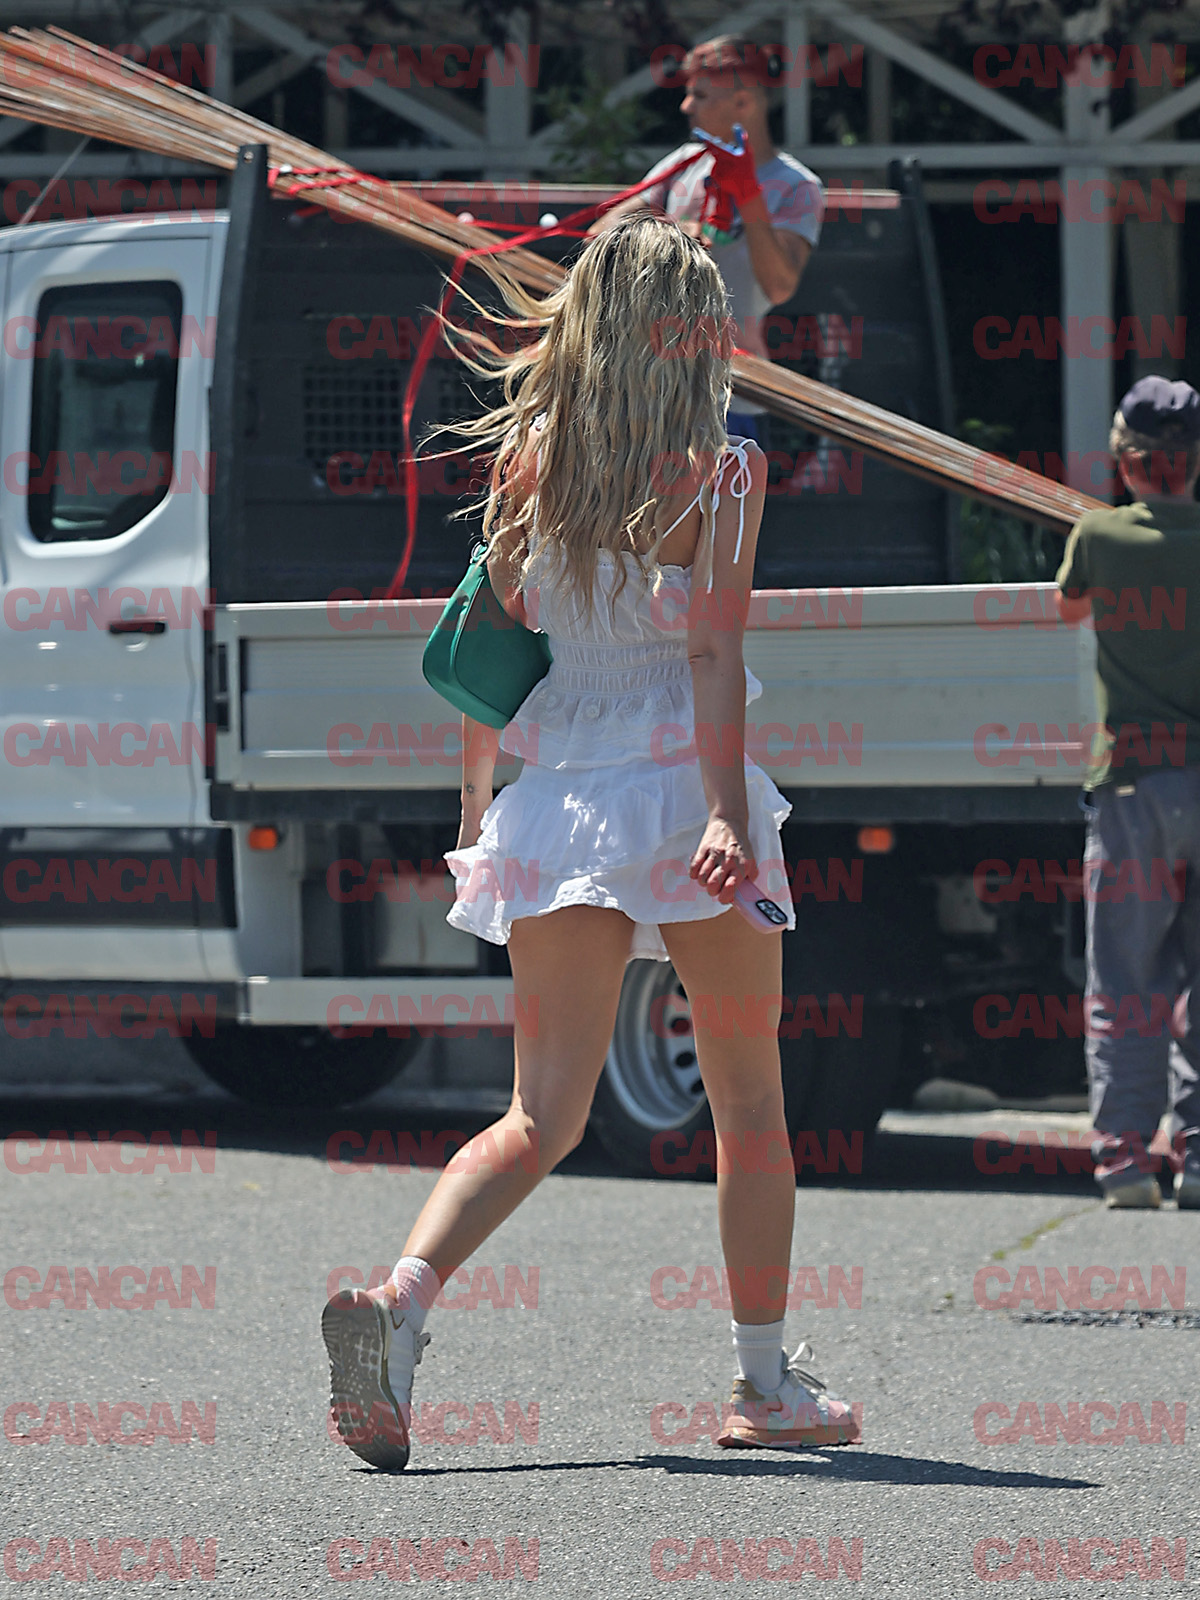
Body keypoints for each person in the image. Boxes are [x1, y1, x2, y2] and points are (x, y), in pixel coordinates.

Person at [321, 213, 860, 1469]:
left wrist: (477, 807)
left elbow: (491, 647)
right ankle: (765, 1383)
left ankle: (401, 1300)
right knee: (750, 1103)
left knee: (539, 1113)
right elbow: (712, 652)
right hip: (677, 793)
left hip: (555, 800)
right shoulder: (724, 472)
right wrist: (726, 812)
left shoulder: (530, 460)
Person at [1056, 376, 1200, 1209]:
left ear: (1125, 460)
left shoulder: (1099, 536)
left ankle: (1126, 1162)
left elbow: (1065, 610)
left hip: (1133, 784)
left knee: (1124, 979)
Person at [589, 32, 824, 446]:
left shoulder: (797, 185)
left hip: (731, 394)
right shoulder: (684, 163)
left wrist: (749, 195)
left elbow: (779, 286)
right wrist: (672, 235)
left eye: (698, 95)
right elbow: (600, 236)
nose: (685, 107)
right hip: (649, 387)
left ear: (743, 103)